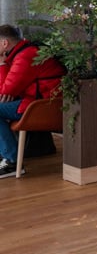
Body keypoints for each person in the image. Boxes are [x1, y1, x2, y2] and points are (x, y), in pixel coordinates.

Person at [0, 24, 65, 178]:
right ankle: (7, 155)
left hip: (43, 107)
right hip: (37, 102)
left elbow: (4, 92)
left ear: (4, 43)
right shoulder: (22, 52)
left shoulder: (25, 56)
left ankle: (12, 161)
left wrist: (1, 64)